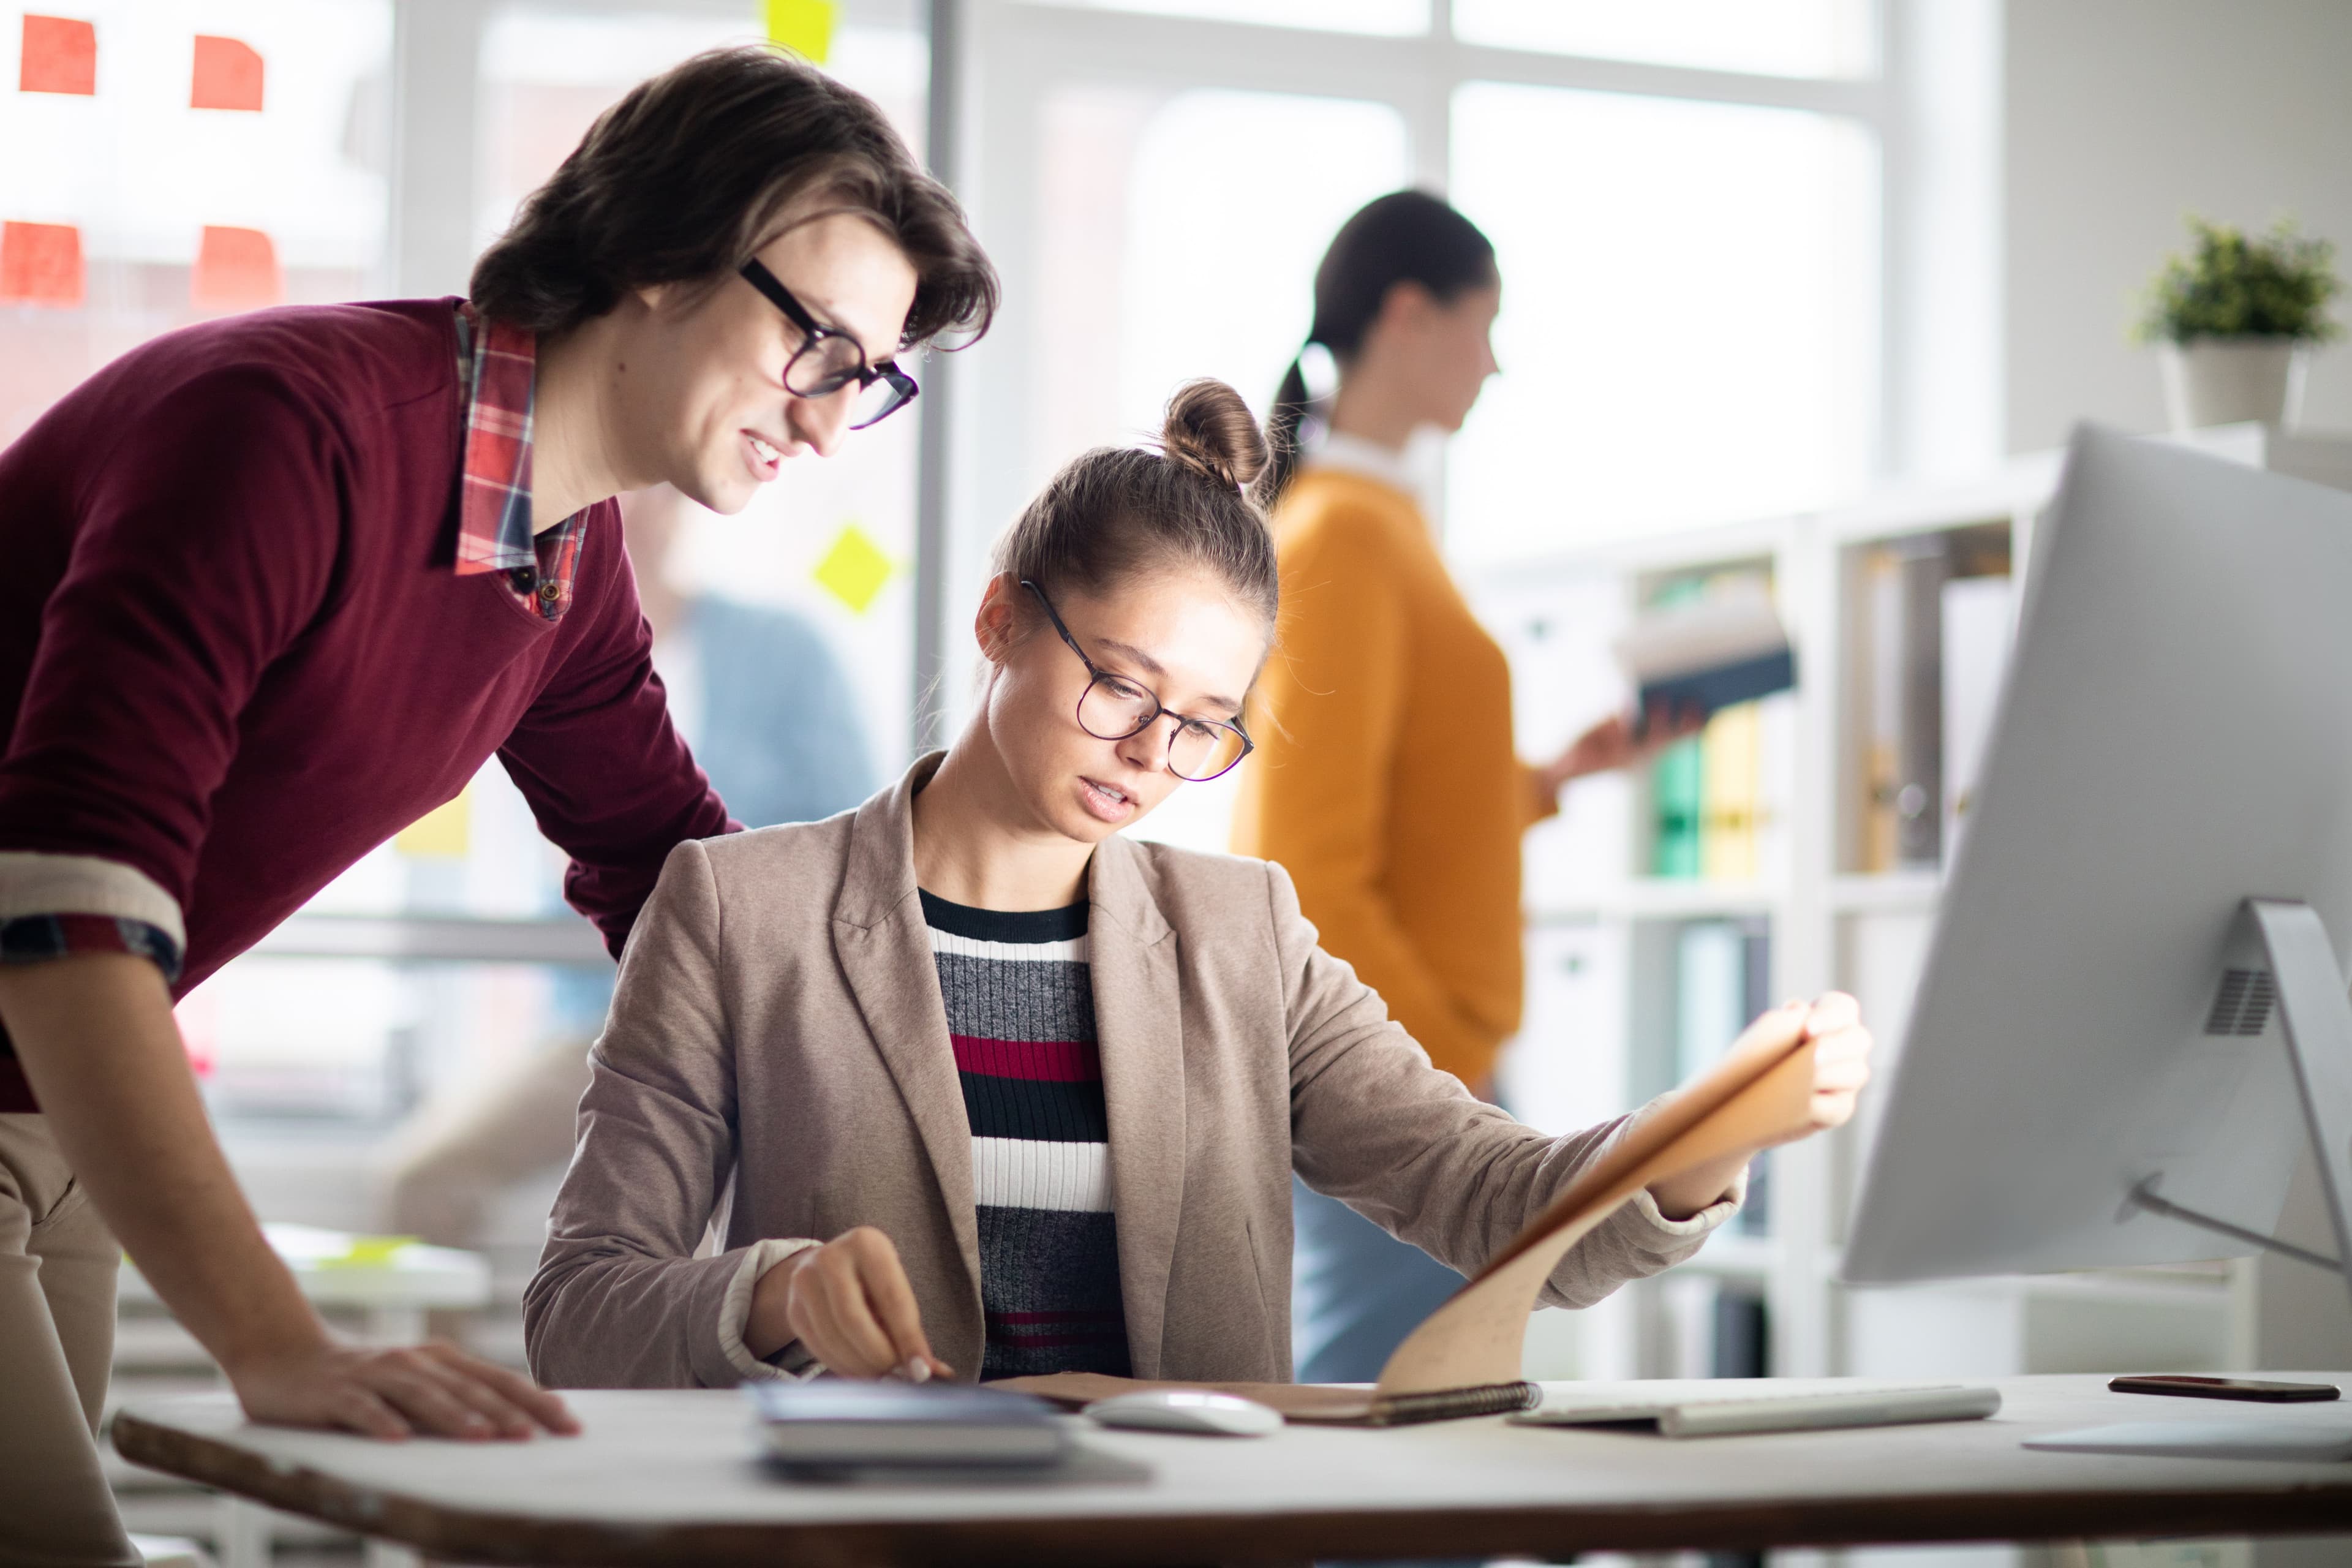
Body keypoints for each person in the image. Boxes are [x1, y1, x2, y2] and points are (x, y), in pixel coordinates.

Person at [0, 47, 993, 1567]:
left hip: (38, 1103)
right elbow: (61, 906)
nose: (823, 419)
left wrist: (951, 1097)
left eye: (868, 379)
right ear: (667, 256)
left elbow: (683, 896)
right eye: (819, 344)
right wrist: (281, 1342)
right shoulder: (292, 432)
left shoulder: (566, 570)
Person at [522, 381, 1871, 1392]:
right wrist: (778, 1292)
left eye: (1205, 722)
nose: (1150, 755)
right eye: (1120, 682)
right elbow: (578, 1310)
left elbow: (1492, 1198)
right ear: (1000, 620)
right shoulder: (740, 911)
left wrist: (1708, 1136)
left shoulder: (1244, 937)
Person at [1231, 190, 1692, 1384]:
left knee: (1430, 1427)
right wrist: (1437, 1074)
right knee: (1403, 1442)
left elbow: (1402, 808)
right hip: (1400, 1068)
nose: (1493, 362)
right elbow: (1308, 863)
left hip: (1430, 1054)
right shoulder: (1344, 533)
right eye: (1483, 325)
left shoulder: (1381, 519)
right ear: (1408, 314)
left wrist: (1546, 779)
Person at [379, 482, 878, 1284]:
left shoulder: (783, 652)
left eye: (645, 500)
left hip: (757, 1021)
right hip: (596, 1018)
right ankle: (458, 1399)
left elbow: (855, 843)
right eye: (607, 501)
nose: (623, 521)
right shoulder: (543, 638)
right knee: (425, 1179)